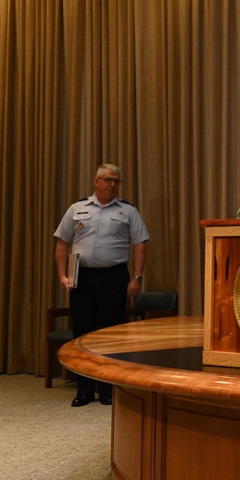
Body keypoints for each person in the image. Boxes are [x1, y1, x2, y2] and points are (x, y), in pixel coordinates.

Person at [54, 164, 149, 406]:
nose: (112, 185)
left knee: (110, 335)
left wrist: (136, 277)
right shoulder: (77, 208)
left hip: (114, 277)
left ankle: (107, 389)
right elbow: (62, 242)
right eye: (107, 180)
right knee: (82, 334)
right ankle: (84, 390)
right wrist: (63, 275)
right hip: (82, 278)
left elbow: (139, 244)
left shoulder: (128, 210)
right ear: (96, 181)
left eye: (116, 181)